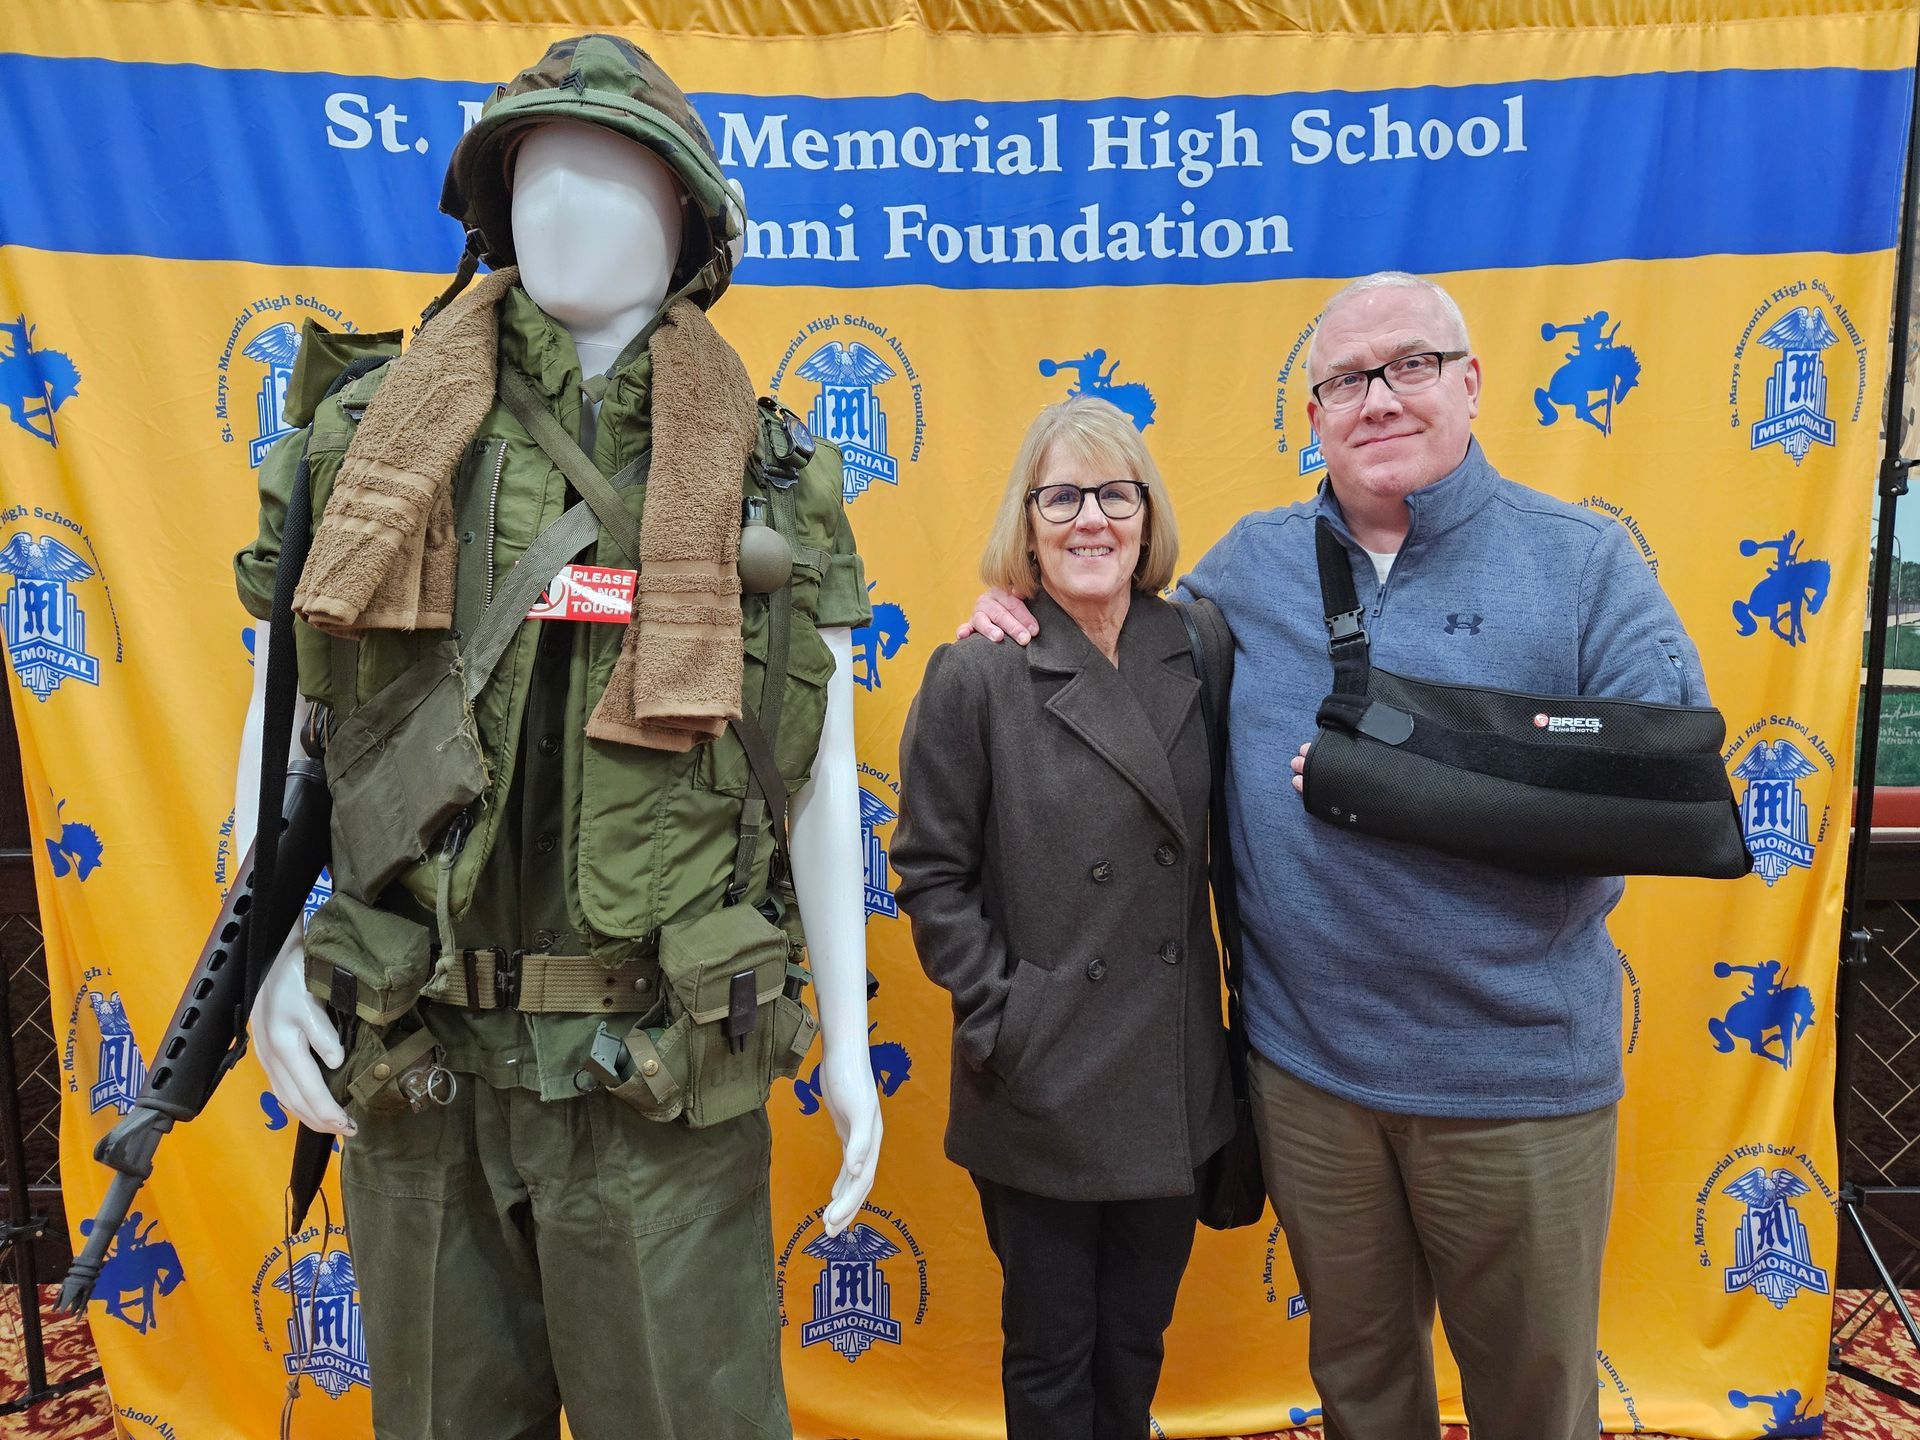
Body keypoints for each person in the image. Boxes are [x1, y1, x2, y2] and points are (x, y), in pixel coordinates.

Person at [234, 36, 881, 1440]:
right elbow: (291, 716)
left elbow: (817, 773)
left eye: (618, 175)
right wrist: (266, 959)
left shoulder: (767, 471)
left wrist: (850, 1032)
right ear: (490, 207)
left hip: (655, 1076)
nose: (569, 206)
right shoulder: (371, 441)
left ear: (690, 224)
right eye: (538, 172)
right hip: (420, 1058)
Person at [964, 272, 1709, 1440]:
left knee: (1531, 1402)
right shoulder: (1249, 569)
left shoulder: (1583, 562)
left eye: (1410, 365)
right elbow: (1116, 638)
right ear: (1312, 413)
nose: (1379, 398)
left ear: (1471, 382)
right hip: (1310, 1082)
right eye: (1347, 379)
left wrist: (1419, 777)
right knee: (1362, 1393)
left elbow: (1667, 786)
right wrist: (1017, 605)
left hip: (1513, 1086)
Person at [894, 395, 1233, 1440]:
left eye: (1115, 494)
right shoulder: (977, 670)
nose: (1092, 519)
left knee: (1135, 1345)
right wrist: (1010, 1016)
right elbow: (929, 873)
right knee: (1049, 1356)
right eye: (1063, 497)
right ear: (1028, 522)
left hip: (1171, 1072)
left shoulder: (1203, 646)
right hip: (1040, 1074)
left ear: (1146, 514)